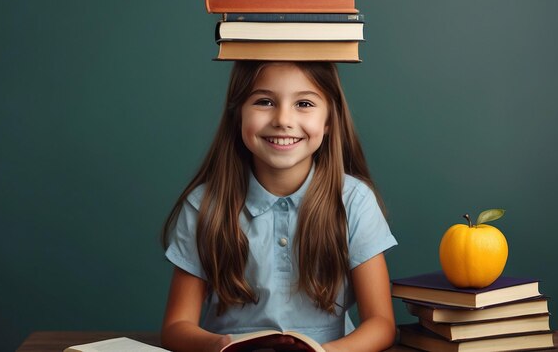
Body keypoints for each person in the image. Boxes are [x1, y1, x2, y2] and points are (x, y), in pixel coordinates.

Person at [160, 61, 398, 352]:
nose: (283, 119)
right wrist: (219, 345)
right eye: (264, 101)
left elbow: (381, 324)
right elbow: (175, 328)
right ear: (238, 115)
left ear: (329, 120)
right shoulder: (205, 206)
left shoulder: (354, 201)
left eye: (304, 103)